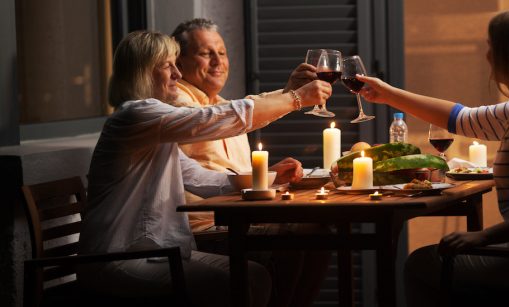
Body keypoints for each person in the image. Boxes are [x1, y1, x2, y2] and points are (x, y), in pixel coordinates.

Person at [356, 9, 509, 305]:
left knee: (422, 265)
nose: (487, 56)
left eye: (490, 46)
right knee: (431, 261)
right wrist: (388, 94)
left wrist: (484, 237)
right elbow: (461, 119)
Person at [77, 30, 331, 307]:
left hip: (158, 252)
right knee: (233, 283)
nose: (176, 73)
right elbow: (213, 119)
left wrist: (266, 177)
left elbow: (199, 178)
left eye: (176, 63)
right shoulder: (136, 115)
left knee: (256, 277)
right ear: (143, 72)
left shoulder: (154, 126)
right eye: (167, 65)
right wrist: (294, 99)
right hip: (119, 259)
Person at [168, 18, 330, 307]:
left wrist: (267, 175)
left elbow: (235, 118)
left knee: (315, 229)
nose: (218, 61)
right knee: (305, 233)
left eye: (222, 52)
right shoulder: (177, 103)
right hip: (206, 230)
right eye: (206, 53)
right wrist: (293, 97)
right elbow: (231, 117)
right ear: (178, 61)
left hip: (238, 220)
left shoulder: (216, 102)